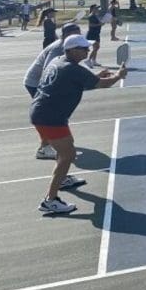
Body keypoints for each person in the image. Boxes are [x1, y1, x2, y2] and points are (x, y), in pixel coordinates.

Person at [31, 34, 127, 213]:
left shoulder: (59, 61)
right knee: (68, 155)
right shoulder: (74, 69)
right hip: (50, 118)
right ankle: (50, 200)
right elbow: (103, 85)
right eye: (84, 48)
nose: (88, 50)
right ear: (73, 50)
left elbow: (75, 83)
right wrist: (118, 76)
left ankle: (63, 178)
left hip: (42, 113)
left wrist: (96, 76)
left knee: (67, 150)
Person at [24, 22, 83, 160]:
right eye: (75, 33)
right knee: (48, 116)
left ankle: (54, 141)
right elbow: (49, 70)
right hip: (35, 83)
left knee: (50, 116)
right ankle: (44, 148)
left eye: (79, 32)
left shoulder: (71, 46)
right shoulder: (58, 48)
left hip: (42, 82)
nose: (78, 35)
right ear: (65, 35)